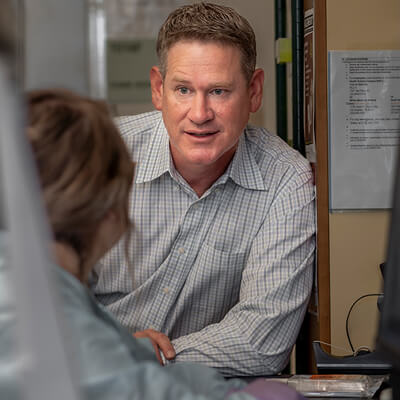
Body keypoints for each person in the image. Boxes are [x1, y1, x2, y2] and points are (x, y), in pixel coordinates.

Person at [0, 88, 305, 400]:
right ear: (108, 208)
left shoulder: (40, 283)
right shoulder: (41, 310)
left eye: (219, 91)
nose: (200, 113)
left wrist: (140, 353)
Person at [91, 2, 316, 377]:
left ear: (254, 91)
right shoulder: (100, 154)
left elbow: (263, 340)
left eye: (218, 91)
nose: (199, 113)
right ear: (158, 89)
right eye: (183, 89)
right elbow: (44, 295)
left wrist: (152, 357)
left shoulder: (284, 180)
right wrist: (107, 351)